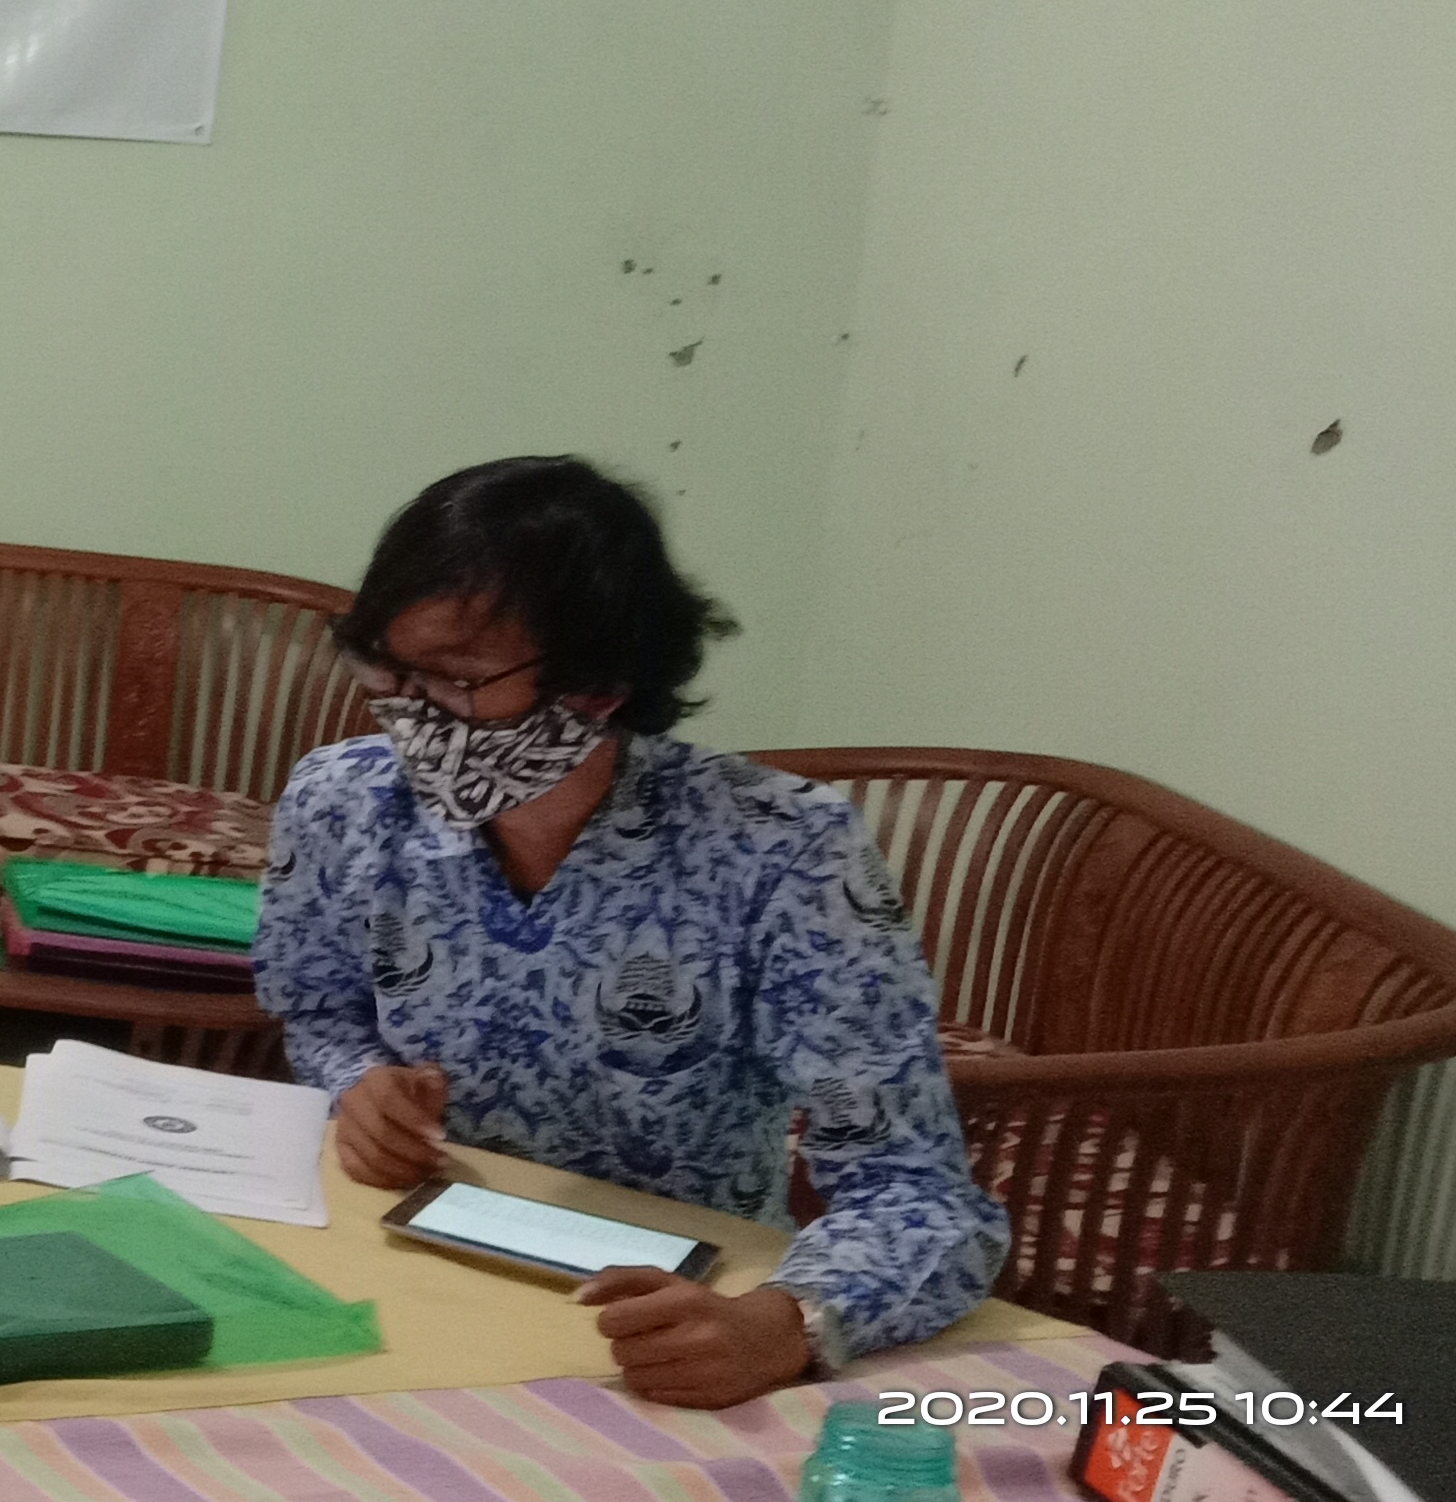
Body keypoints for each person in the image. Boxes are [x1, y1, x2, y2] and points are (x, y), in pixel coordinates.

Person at [252, 457, 1007, 1409]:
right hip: (405, 1258)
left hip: (673, 1311)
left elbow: (922, 1196)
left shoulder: (783, 852)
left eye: (456, 679)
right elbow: (319, 1009)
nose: (409, 714)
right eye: (383, 668)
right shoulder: (344, 799)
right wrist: (360, 1086)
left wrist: (789, 1324)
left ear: (597, 687)